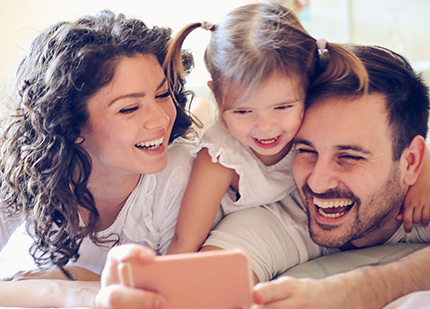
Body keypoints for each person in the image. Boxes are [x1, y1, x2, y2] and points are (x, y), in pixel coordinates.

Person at [93, 44, 430, 309]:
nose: (317, 181)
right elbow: (209, 286)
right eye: (304, 150)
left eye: (350, 157)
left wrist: (363, 290)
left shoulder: (421, 192)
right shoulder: (278, 215)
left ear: (412, 160)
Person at [0, 9, 197, 306]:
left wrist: (77, 277)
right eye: (129, 108)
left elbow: (173, 297)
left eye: (162, 94)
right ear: (71, 124)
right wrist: (58, 291)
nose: (160, 119)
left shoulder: (183, 174)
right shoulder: (24, 173)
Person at [165, 0, 371, 254]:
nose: (264, 128)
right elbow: (185, 240)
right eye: (243, 111)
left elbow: (389, 135)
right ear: (218, 96)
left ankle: (207, 114)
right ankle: (201, 118)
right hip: (241, 218)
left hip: (283, 207)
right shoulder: (220, 159)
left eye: (282, 107)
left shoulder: (316, 112)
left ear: (309, 87)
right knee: (195, 139)